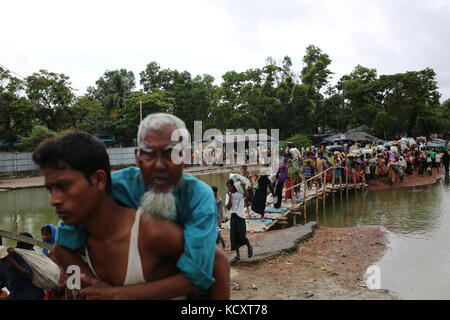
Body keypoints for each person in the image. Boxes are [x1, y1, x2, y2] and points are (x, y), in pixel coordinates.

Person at [37, 115, 230, 300]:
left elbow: (205, 271)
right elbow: (62, 247)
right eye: (148, 154)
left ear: (186, 157)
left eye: (172, 153)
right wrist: (92, 285)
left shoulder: (198, 199)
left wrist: (117, 295)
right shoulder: (117, 186)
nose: (159, 165)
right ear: (137, 157)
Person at [0, 233, 44, 300]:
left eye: (20, 242)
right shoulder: (13, 255)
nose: (17, 244)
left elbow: (26, 274)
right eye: (17, 242)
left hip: (28, 294)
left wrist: (10, 258)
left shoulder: (29, 256)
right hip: (19, 292)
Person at [226, 180, 253, 264]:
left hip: (240, 216)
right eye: (228, 187)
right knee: (234, 237)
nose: (229, 188)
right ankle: (238, 256)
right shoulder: (228, 195)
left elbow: (248, 196)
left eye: (230, 186)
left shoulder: (240, 192)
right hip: (233, 216)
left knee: (242, 235)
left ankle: (249, 246)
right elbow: (228, 207)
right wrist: (230, 197)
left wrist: (244, 187)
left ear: (234, 186)